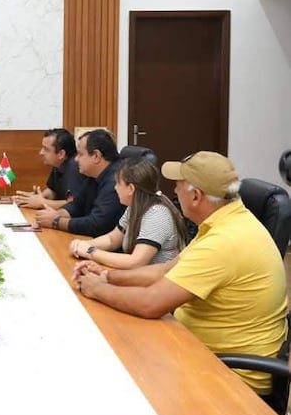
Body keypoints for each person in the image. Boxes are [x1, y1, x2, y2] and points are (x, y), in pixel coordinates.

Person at [73, 151, 288, 401]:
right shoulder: (226, 221)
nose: (174, 192)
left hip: (229, 378)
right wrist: (107, 275)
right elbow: (166, 270)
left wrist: (95, 288)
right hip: (195, 347)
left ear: (195, 195)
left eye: (178, 186)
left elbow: (150, 303)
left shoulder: (224, 241)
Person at [69, 156, 187, 268]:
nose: (115, 188)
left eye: (117, 183)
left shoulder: (157, 214)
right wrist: (84, 244)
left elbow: (135, 262)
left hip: (156, 284)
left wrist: (90, 251)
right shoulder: (134, 206)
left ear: (131, 188)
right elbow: (112, 240)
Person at [34, 129, 124, 236]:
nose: (76, 159)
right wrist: (56, 214)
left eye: (80, 154)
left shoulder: (116, 180)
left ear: (96, 156)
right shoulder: (93, 175)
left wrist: (56, 221)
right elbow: (77, 205)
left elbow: (97, 224)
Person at [12, 128, 84, 209]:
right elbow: (53, 191)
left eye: (46, 149)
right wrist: (36, 197)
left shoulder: (76, 167)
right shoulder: (58, 164)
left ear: (61, 154)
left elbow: (74, 204)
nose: (41, 153)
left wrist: (42, 203)